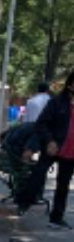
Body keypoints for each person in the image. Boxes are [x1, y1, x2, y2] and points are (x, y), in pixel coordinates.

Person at [19, 69, 74, 229]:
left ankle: (56, 217)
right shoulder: (56, 102)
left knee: (63, 185)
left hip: (70, 152)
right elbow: (41, 124)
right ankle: (24, 201)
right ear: (70, 85)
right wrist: (50, 140)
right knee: (38, 175)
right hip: (53, 147)